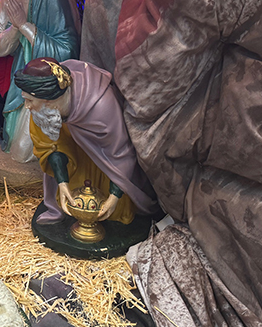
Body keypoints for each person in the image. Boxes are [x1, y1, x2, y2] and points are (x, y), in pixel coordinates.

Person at [13, 58, 156, 225]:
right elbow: (50, 145)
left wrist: (114, 197)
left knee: (112, 215)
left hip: (105, 165)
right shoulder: (43, 111)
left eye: (30, 100)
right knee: (70, 202)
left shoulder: (101, 108)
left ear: (49, 101)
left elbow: (120, 154)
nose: (27, 106)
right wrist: (62, 183)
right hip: (75, 161)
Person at [0, 0, 81, 162]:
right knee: (16, 151)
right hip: (23, 80)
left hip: (48, 87)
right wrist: (16, 29)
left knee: (26, 151)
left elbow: (68, 50)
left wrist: (25, 26)